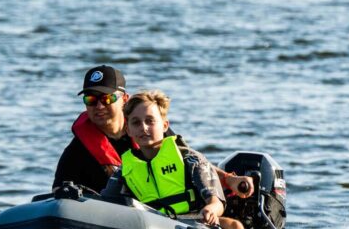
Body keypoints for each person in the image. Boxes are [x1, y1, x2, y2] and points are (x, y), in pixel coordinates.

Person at [53, 65, 254, 199]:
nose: (98, 106)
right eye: (90, 100)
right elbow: (57, 195)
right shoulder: (78, 150)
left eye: (106, 99)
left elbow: (191, 162)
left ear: (124, 99)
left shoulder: (149, 130)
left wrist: (229, 179)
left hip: (169, 219)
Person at [102, 90, 247, 229]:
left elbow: (216, 203)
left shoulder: (190, 160)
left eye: (150, 121)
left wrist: (210, 210)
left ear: (165, 126)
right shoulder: (124, 171)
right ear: (128, 130)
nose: (143, 128)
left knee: (234, 226)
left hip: (195, 228)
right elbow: (106, 205)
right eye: (136, 122)